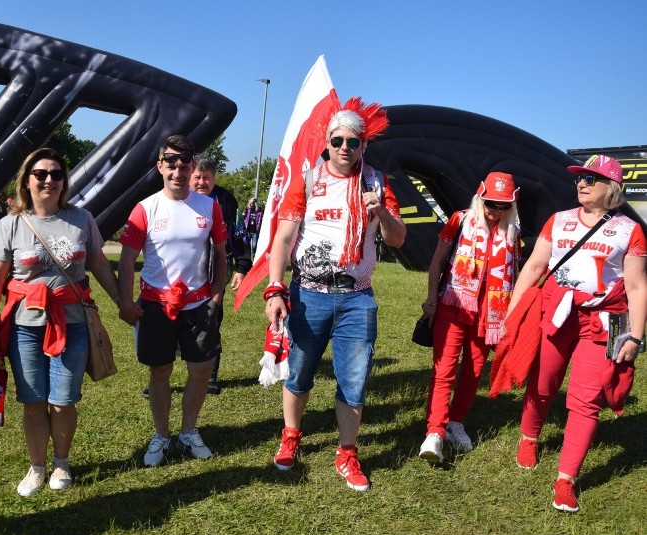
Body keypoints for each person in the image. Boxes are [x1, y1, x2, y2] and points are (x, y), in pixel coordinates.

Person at [264, 99, 406, 491]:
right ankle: (291, 436)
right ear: (327, 142)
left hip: (357, 298)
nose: (345, 147)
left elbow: (397, 239)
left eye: (354, 141)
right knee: (299, 373)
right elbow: (285, 236)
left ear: (364, 145)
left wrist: (385, 214)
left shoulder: (376, 182)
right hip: (309, 295)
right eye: (338, 140)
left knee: (354, 381)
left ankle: (347, 451)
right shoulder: (309, 180)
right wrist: (275, 288)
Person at [0, 147, 119, 497]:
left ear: (64, 182)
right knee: (33, 400)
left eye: (56, 174)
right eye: (40, 174)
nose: (49, 180)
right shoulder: (10, 224)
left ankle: (62, 462)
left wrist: (123, 303)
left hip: (72, 324)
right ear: (27, 180)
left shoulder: (82, 219)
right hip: (24, 326)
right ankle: (37, 466)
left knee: (63, 400)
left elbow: (100, 264)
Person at [510, 155, 646, 512]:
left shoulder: (630, 231)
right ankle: (529, 437)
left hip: (602, 321)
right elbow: (535, 266)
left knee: (586, 400)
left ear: (612, 188)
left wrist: (635, 337)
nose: (581, 184)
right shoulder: (559, 221)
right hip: (558, 313)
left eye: (591, 178)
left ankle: (566, 479)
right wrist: (511, 313)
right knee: (543, 382)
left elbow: (636, 287)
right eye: (580, 178)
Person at [118, 135, 227, 467]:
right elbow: (125, 260)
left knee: (201, 370)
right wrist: (125, 301)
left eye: (184, 163)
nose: (177, 170)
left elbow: (221, 254)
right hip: (155, 304)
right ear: (160, 166)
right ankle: (162, 435)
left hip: (197, 304)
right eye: (171, 162)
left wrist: (217, 294)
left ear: (192, 166)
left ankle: (188, 431)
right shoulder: (145, 208)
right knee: (160, 372)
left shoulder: (210, 206)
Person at [418, 172, 521, 463]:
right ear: (480, 197)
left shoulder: (513, 230)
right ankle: (435, 432)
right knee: (444, 368)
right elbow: (438, 261)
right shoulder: (460, 220)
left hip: (491, 312)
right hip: (453, 304)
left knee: (474, 371)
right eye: (491, 203)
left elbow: (513, 274)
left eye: (503, 206)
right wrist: (430, 300)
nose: (496, 211)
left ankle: (456, 421)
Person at [191, 154, 251, 394]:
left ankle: (210, 377)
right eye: (197, 177)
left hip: (215, 269)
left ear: (214, 178)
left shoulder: (226, 199)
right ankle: (161, 378)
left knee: (211, 319)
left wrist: (241, 266)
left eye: (207, 177)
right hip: (181, 271)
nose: (202, 182)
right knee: (172, 322)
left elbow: (239, 234)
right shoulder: (178, 198)